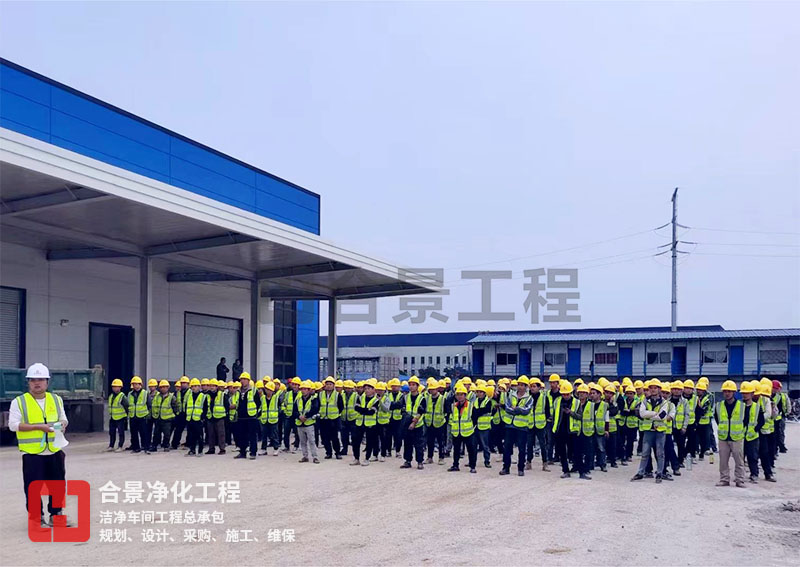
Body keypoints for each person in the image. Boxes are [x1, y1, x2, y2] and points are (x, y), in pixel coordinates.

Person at [10, 363, 70, 528]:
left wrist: (63, 425)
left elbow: (64, 419)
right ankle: (37, 519)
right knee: (33, 488)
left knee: (58, 486)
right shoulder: (19, 402)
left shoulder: (56, 399)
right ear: (28, 382)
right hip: (32, 453)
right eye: (33, 380)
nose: (37, 383)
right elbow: (13, 425)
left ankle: (56, 515)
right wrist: (38, 427)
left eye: (41, 379)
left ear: (47, 382)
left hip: (54, 450)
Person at [631, 380, 673, 484]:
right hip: (648, 430)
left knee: (660, 453)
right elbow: (642, 413)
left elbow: (662, 416)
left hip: (660, 430)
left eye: (655, 388)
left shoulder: (665, 402)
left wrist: (649, 414)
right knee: (645, 453)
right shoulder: (645, 401)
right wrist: (655, 413)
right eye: (651, 388)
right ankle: (640, 472)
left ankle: (659, 473)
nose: (653, 390)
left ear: (659, 389)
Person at [714, 380, 746, 487]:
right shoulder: (719, 405)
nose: (727, 393)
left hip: (737, 437)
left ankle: (739, 480)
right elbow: (717, 418)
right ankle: (724, 479)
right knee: (723, 460)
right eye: (725, 391)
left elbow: (745, 420)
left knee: (739, 460)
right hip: (723, 437)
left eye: (729, 391)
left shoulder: (742, 406)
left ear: (734, 392)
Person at [500, 376, 533, 477]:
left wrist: (516, 409)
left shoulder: (529, 398)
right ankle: (506, 468)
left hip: (522, 427)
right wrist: (518, 410)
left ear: (526, 387)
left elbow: (526, 410)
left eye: (522, 385)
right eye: (519, 385)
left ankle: (520, 469)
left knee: (522, 449)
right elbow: (507, 407)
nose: (520, 387)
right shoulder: (511, 395)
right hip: (510, 425)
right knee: (507, 448)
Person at [447, 384, 477, 473]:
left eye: (461, 394)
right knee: (456, 450)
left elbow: (474, 418)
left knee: (471, 450)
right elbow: (451, 418)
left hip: (468, 431)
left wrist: (471, 427)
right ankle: (455, 465)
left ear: (465, 395)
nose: (459, 396)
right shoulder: (453, 406)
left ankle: (472, 466)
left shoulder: (471, 406)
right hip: (457, 431)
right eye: (458, 394)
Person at [400, 376, 427, 470]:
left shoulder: (421, 398)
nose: (411, 387)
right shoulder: (405, 397)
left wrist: (414, 423)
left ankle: (420, 461)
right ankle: (407, 461)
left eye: (413, 385)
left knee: (418, 444)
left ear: (417, 386)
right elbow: (403, 410)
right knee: (407, 443)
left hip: (417, 425)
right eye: (410, 385)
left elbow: (421, 412)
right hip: (407, 424)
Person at [740, 381, 764, 483]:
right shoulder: (739, 405)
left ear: (752, 394)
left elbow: (761, 421)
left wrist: (755, 429)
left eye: (747, 393)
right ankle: (740, 475)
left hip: (753, 436)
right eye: (743, 393)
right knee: (740, 457)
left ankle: (754, 474)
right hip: (740, 436)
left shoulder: (757, 406)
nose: (745, 395)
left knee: (753, 457)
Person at [526, 377, 550, 472]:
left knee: (543, 445)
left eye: (534, 386)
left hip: (541, 425)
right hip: (530, 424)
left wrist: (545, 420)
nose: (532, 388)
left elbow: (547, 411)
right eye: (531, 386)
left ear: (539, 387)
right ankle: (528, 462)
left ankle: (545, 463)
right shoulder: (527, 397)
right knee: (529, 445)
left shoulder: (544, 397)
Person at [233, 372, 259, 460]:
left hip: (251, 417)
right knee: (242, 436)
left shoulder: (254, 390)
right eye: (241, 379)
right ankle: (242, 452)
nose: (242, 381)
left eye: (244, 379)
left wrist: (256, 414)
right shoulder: (238, 391)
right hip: (241, 416)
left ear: (248, 380)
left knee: (252, 436)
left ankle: (253, 452)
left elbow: (258, 403)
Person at [293, 381, 320, 464]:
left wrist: (305, 416)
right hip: (300, 423)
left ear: (309, 390)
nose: (303, 391)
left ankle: (315, 457)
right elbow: (294, 411)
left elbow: (315, 409)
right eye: (302, 389)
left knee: (312, 441)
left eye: (305, 389)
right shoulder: (298, 400)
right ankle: (305, 456)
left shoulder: (313, 399)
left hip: (309, 423)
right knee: (302, 441)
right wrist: (299, 416)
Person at [318, 376, 344, 460]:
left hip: (333, 419)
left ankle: (337, 453)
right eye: (327, 384)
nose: (328, 386)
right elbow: (318, 405)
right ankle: (328, 453)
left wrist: (335, 414)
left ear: (333, 385)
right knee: (325, 438)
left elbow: (341, 406)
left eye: (330, 384)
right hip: (323, 419)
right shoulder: (320, 394)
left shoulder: (337, 395)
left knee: (334, 438)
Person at [150, 380, 178, 452]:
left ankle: (166, 446)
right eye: (161, 387)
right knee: (156, 434)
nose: (163, 388)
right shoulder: (157, 396)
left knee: (167, 434)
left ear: (168, 387)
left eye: (165, 387)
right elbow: (154, 406)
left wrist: (174, 416)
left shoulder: (171, 397)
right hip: (158, 418)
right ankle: (154, 446)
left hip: (167, 419)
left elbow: (175, 408)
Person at [472, 383, 494, 469]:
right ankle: (472, 461)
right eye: (478, 392)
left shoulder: (488, 401)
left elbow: (485, 410)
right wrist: (478, 411)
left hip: (484, 427)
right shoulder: (475, 401)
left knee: (485, 446)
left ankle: (487, 461)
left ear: (484, 393)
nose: (479, 393)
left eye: (481, 392)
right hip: (476, 426)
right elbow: (474, 412)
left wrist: (477, 411)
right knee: (473, 445)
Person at [184, 378, 207, 457]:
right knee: (191, 436)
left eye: (195, 386)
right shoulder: (189, 396)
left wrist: (202, 418)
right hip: (190, 419)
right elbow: (187, 407)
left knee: (199, 436)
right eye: (192, 386)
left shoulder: (203, 396)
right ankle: (192, 450)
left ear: (199, 387)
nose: (194, 388)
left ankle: (200, 450)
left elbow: (205, 408)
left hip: (198, 419)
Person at [205, 379, 228, 455]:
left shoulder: (222, 395)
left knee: (221, 434)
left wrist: (225, 414)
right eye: (211, 386)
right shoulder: (207, 395)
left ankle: (222, 449)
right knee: (210, 434)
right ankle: (211, 449)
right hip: (210, 417)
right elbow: (205, 406)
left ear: (217, 387)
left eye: (214, 386)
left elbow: (226, 405)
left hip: (219, 417)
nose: (212, 387)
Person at [127, 376, 149, 454]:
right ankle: (136, 448)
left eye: (137, 384)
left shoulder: (145, 393)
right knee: (133, 433)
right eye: (134, 384)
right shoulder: (130, 394)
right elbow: (128, 404)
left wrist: (147, 414)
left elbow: (149, 404)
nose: (135, 386)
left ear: (140, 385)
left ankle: (145, 447)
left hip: (142, 416)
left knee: (144, 433)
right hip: (133, 416)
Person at [259, 380, 281, 455]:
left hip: (273, 419)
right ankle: (263, 449)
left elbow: (279, 407)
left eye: (269, 390)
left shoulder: (276, 398)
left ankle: (276, 448)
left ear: (272, 391)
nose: (268, 391)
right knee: (264, 435)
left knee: (274, 435)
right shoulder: (262, 398)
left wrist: (278, 414)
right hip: (264, 419)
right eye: (267, 389)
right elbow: (261, 407)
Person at [107, 378, 129, 452]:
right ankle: (111, 445)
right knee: (111, 432)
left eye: (117, 386)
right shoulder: (111, 396)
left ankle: (120, 446)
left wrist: (126, 416)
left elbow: (127, 406)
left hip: (121, 418)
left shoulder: (122, 396)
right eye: (114, 386)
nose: (115, 388)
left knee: (121, 433)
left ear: (120, 387)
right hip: (113, 417)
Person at [281, 377, 301, 452]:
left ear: (299, 386)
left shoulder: (301, 394)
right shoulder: (288, 394)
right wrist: (284, 410)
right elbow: (284, 403)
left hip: (297, 416)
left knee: (297, 432)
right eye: (293, 384)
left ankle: (296, 446)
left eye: (296, 385)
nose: (294, 386)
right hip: (288, 416)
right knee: (286, 432)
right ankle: (286, 447)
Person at [170, 376, 190, 449]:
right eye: (182, 383)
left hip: (188, 413)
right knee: (178, 430)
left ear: (188, 384)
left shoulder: (190, 392)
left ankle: (188, 443)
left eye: (185, 383)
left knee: (190, 430)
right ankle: (175, 444)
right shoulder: (178, 393)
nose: (183, 384)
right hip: (180, 414)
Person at [772, 380, 789, 455]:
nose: (778, 390)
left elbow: (788, 405)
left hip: (781, 417)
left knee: (780, 433)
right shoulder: (771, 396)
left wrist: (787, 413)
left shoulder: (783, 396)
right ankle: (777, 448)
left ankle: (781, 446)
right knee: (776, 434)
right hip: (774, 418)